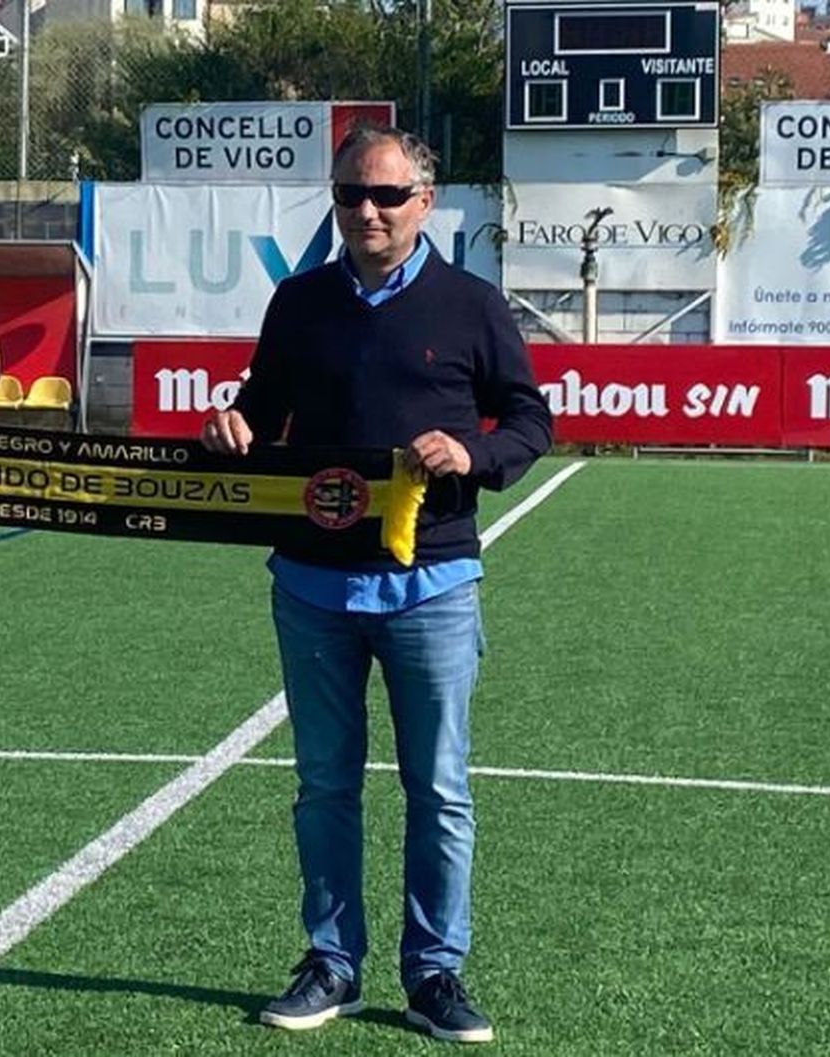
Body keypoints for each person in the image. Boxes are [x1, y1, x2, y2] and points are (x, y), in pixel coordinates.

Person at [202, 125, 552, 1043]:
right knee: (325, 784)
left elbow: (529, 423)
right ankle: (332, 962)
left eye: (388, 196)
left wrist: (470, 452)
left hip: (432, 582)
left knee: (438, 788)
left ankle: (435, 972)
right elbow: (261, 410)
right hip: (313, 585)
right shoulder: (299, 301)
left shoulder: (472, 305)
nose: (367, 211)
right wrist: (233, 426)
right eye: (352, 193)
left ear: (425, 203)